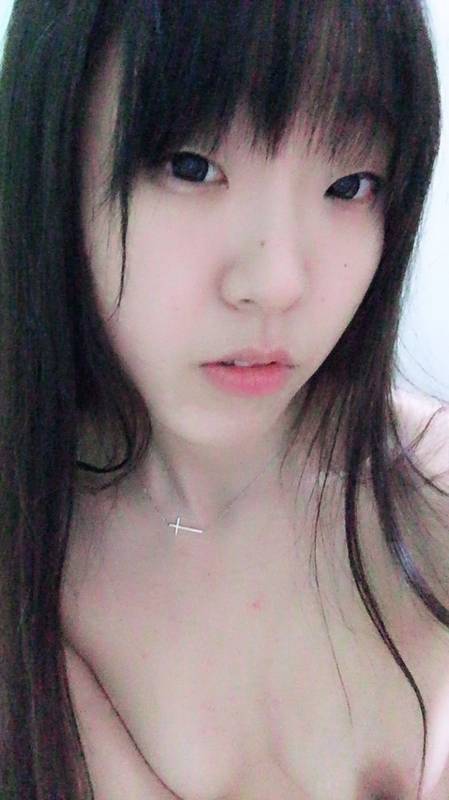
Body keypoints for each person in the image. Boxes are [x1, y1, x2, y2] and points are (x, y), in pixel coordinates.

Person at [0, 0, 448, 798]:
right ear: (53, 155)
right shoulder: (27, 537)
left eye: (349, 185)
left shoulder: (432, 495)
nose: (275, 283)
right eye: (190, 167)